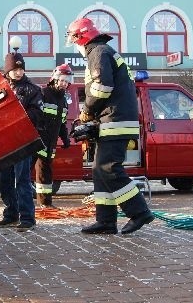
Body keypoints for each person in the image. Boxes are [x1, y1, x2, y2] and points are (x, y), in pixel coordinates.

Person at [66, 17, 153, 235]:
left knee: (108, 168)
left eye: (73, 40)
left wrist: (87, 111)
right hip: (112, 120)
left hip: (115, 121)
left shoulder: (99, 53)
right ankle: (105, 220)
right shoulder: (102, 51)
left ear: (81, 38)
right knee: (99, 170)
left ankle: (139, 211)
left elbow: (102, 88)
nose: (74, 46)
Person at [0, 51, 44, 232]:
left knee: (22, 180)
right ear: (8, 70)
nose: (18, 72)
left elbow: (38, 115)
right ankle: (10, 214)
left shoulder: (32, 89)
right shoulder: (0, 87)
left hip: (22, 141)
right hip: (4, 142)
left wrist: (17, 112)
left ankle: (27, 218)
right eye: (15, 69)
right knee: (5, 180)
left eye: (21, 68)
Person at [34, 64, 72, 209]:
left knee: (46, 171)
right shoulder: (43, 94)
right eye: (61, 80)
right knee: (29, 172)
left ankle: (46, 203)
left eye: (66, 81)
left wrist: (66, 139)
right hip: (37, 141)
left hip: (51, 143)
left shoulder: (63, 101)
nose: (64, 83)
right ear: (54, 79)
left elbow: (62, 124)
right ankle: (34, 204)